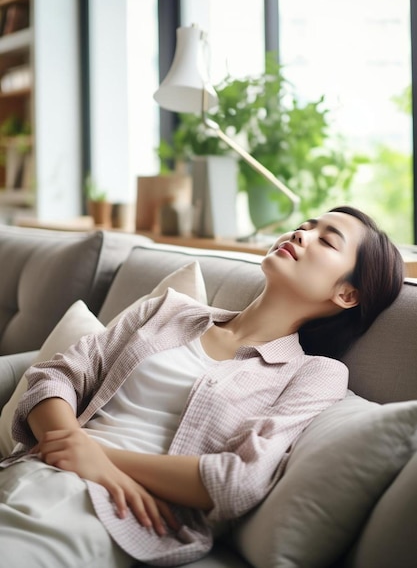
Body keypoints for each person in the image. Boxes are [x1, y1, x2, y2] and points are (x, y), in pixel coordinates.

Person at [0, 206, 404, 568]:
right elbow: (53, 376)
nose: (301, 234)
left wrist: (100, 460)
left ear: (347, 293)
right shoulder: (165, 309)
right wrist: (72, 441)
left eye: (326, 241)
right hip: (33, 467)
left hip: (108, 514)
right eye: (304, 226)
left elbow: (234, 481)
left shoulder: (314, 374)